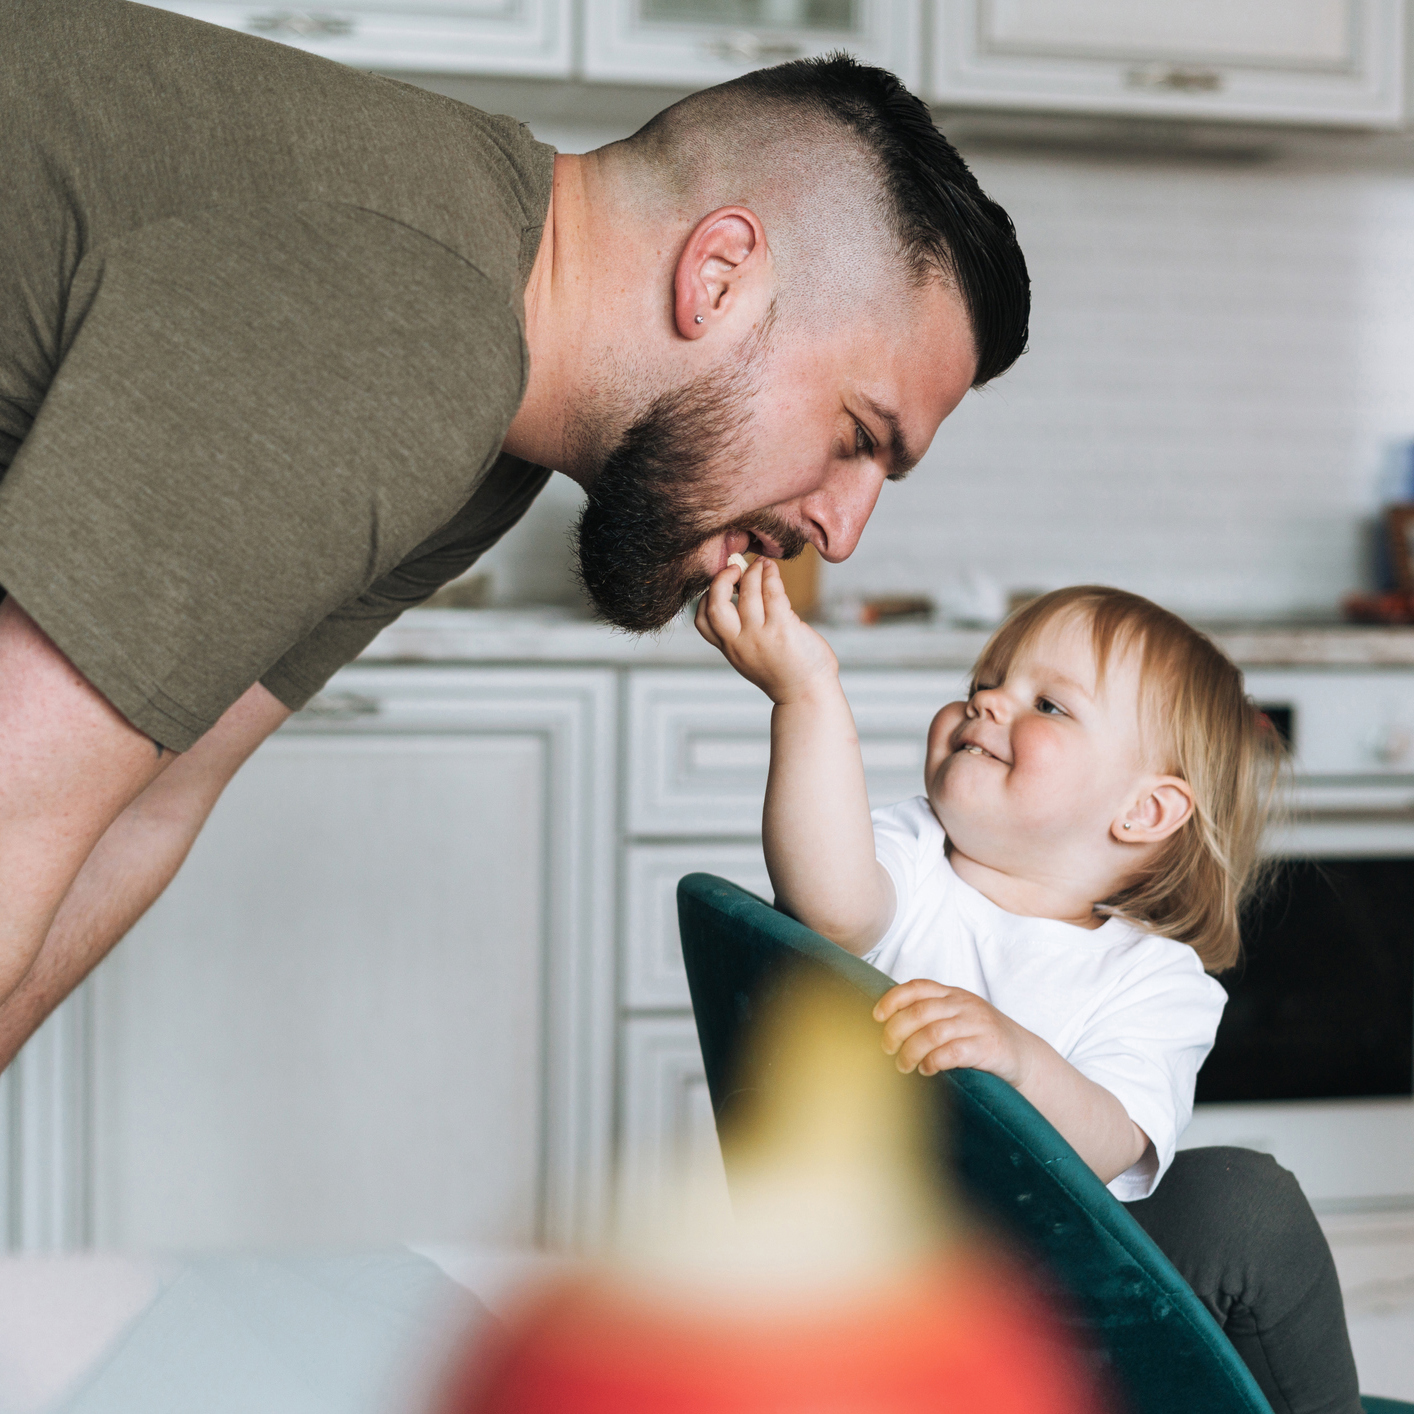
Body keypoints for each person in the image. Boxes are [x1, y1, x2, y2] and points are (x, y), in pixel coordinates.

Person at [0, 0, 1031, 1066]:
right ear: (717, 276)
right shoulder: (415, 329)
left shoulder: (495, 435)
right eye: (858, 435)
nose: (845, 529)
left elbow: (154, 800)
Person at [697, 570, 1363, 1414]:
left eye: (1049, 705)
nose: (987, 703)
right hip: (889, 1276)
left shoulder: (1155, 981)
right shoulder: (910, 859)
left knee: (1249, 1202)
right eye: (983, 683)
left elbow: (1113, 1144)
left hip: (1058, 1294)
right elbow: (830, 904)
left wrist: (1016, 1057)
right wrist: (805, 695)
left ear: (1147, 811)